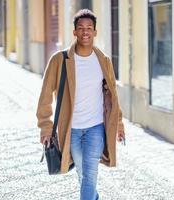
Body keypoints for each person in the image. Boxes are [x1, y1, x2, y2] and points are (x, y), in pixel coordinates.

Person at [36, 9, 125, 200]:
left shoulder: (104, 61)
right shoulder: (60, 60)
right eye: (81, 28)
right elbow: (45, 96)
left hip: (95, 128)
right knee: (83, 176)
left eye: (89, 28)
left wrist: (118, 124)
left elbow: (113, 96)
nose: (85, 32)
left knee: (89, 175)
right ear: (74, 31)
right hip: (71, 130)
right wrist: (45, 126)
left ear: (95, 32)